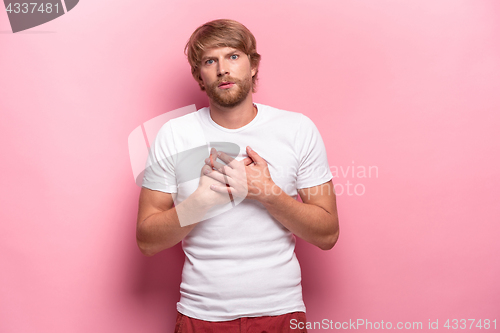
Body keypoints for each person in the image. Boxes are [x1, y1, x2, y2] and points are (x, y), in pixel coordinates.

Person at [136, 19, 339, 333]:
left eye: (233, 56)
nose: (222, 69)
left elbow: (327, 235)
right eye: (209, 61)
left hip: (281, 312)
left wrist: (267, 193)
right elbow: (146, 241)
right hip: (200, 315)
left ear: (253, 65)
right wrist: (201, 202)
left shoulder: (297, 129)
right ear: (199, 76)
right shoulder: (173, 135)